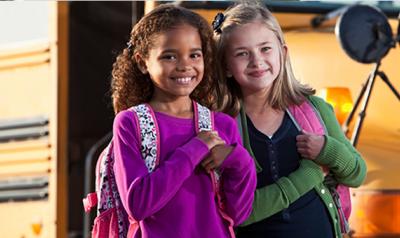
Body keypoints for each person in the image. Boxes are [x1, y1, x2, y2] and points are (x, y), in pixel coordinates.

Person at [213, 3, 367, 238]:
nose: (256, 61)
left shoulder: (315, 110)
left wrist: (329, 150)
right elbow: (238, 213)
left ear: (282, 53)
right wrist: (308, 176)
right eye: (242, 53)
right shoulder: (222, 125)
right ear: (226, 66)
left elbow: (357, 174)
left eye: (265, 49)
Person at [110, 4, 256, 238]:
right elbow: (138, 204)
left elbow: (238, 213)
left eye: (194, 55)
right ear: (142, 62)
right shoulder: (130, 122)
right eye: (169, 56)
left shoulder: (223, 125)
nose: (184, 65)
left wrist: (239, 159)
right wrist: (196, 148)